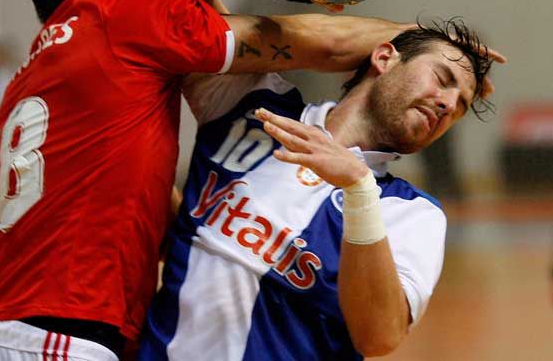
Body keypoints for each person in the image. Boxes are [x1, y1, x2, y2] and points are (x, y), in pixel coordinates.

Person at [0, 0, 412, 361]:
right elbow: (325, 44)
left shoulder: (36, 72)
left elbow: (140, 208)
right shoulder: (123, 18)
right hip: (62, 334)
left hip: (18, 331)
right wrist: (424, 41)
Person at [138, 18, 499, 360]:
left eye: (460, 106)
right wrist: (402, 30)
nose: (448, 104)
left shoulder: (413, 213)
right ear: (384, 57)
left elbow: (380, 335)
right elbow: (178, 3)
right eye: (442, 77)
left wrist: (359, 189)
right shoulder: (251, 103)